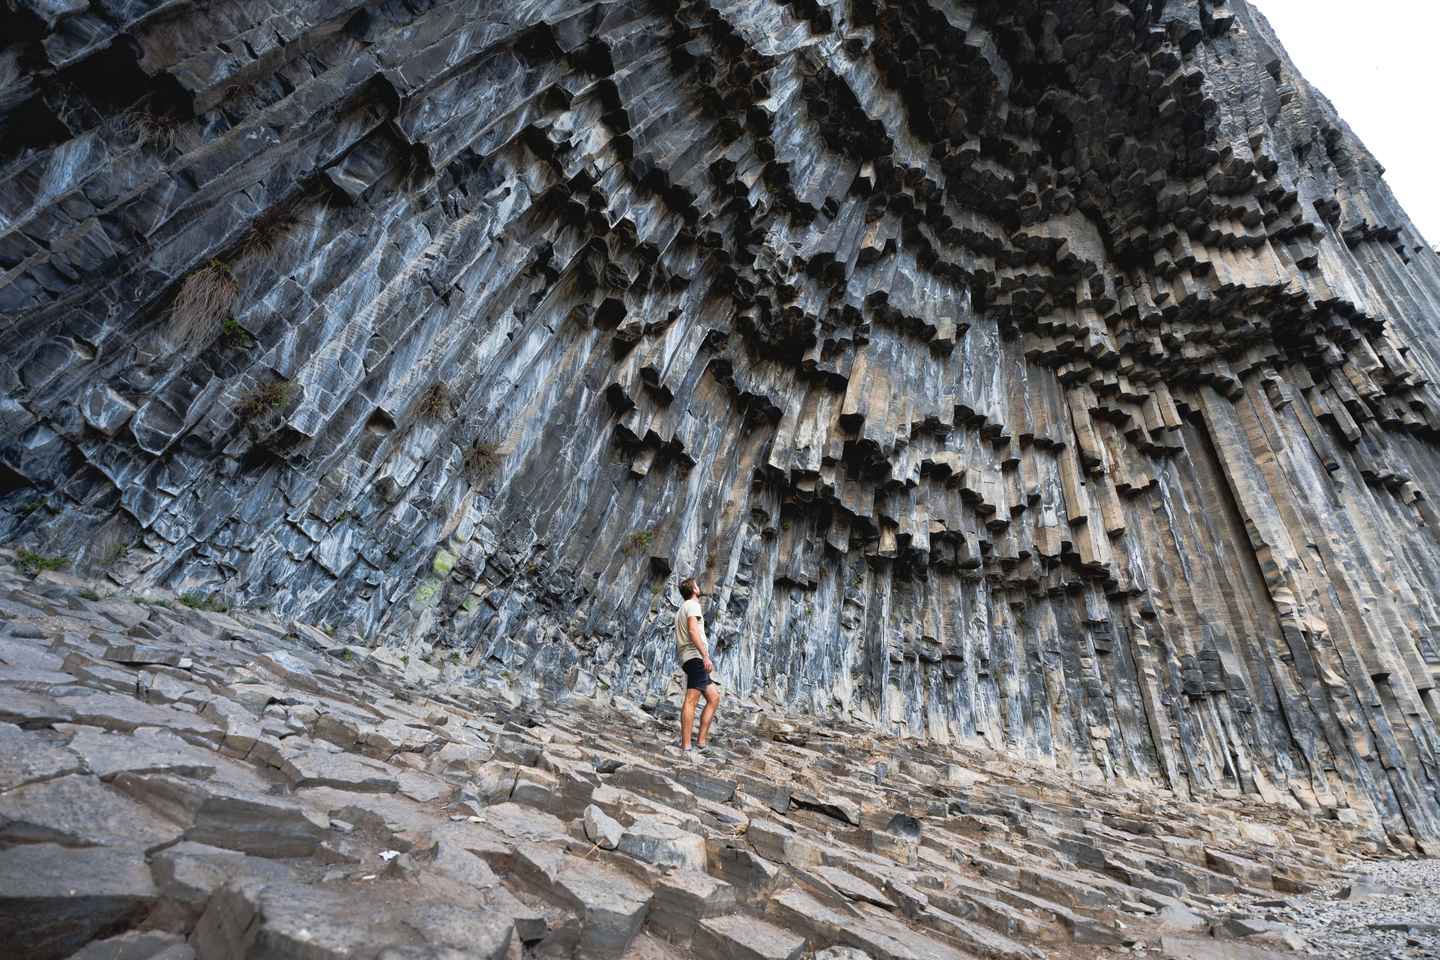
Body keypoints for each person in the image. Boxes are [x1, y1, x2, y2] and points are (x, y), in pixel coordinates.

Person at [674, 577, 720, 753]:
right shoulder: (692, 605)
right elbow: (693, 631)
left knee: (714, 697)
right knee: (691, 700)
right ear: (693, 590)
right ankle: (686, 745)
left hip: (690, 657)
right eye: (696, 585)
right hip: (695, 657)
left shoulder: (682, 609)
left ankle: (701, 741)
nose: (699, 587)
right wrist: (705, 656)